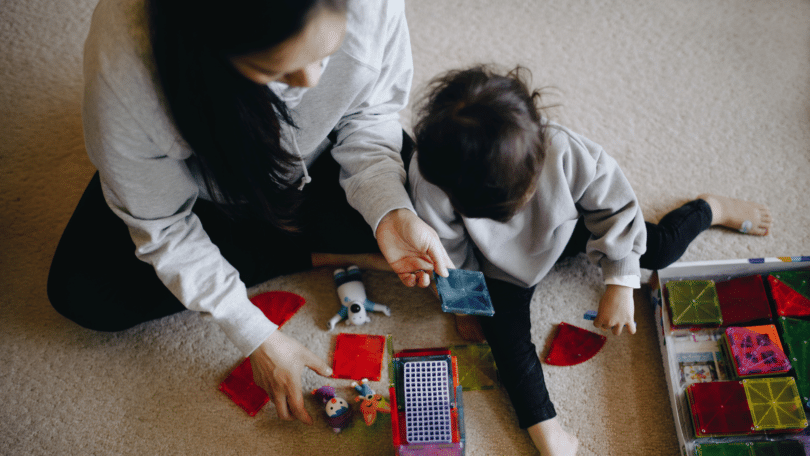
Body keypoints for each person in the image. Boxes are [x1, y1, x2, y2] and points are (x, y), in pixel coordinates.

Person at [47, 0, 451, 427]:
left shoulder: (373, 7)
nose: (313, 80)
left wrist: (389, 209)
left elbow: (370, 115)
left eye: (324, 55)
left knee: (439, 200)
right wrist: (254, 333)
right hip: (208, 192)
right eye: (278, 72)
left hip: (318, 163)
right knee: (84, 292)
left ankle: (300, 249)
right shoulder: (128, 74)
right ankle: (314, 252)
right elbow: (162, 224)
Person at [408, 65, 772, 455]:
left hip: (569, 226)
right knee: (507, 344)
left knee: (661, 248)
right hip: (500, 267)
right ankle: (548, 431)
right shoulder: (434, 179)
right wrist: (464, 307)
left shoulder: (566, 150)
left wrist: (619, 280)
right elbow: (448, 252)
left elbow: (617, 212)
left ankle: (709, 209)